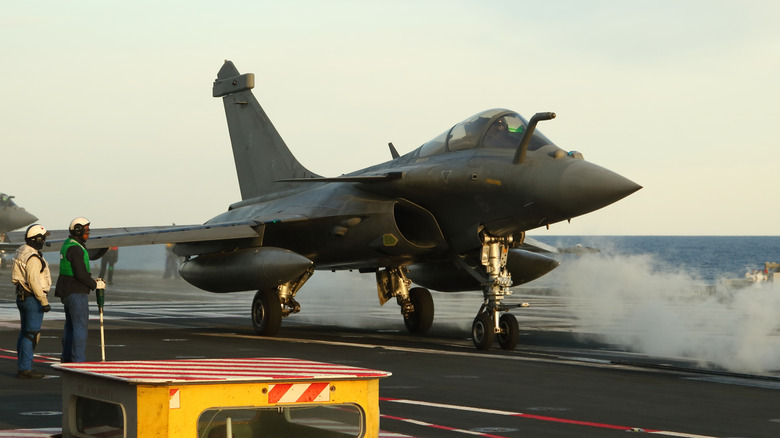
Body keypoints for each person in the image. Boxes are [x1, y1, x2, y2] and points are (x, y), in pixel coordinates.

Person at [55, 217, 105, 363]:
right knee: (80, 327)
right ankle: (78, 360)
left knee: (70, 326)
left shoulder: (67, 244)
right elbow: (81, 274)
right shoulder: (76, 248)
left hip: (67, 290)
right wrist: (95, 285)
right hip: (76, 291)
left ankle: (66, 358)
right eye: (86, 230)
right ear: (78, 230)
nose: (88, 233)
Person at [12, 224, 52, 378]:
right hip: (32, 298)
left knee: (25, 332)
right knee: (31, 334)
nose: (44, 241)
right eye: (43, 238)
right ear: (37, 239)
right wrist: (44, 301)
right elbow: (34, 281)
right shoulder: (33, 257)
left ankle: (23, 365)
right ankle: (25, 368)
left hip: (22, 297)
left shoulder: (21, 250)